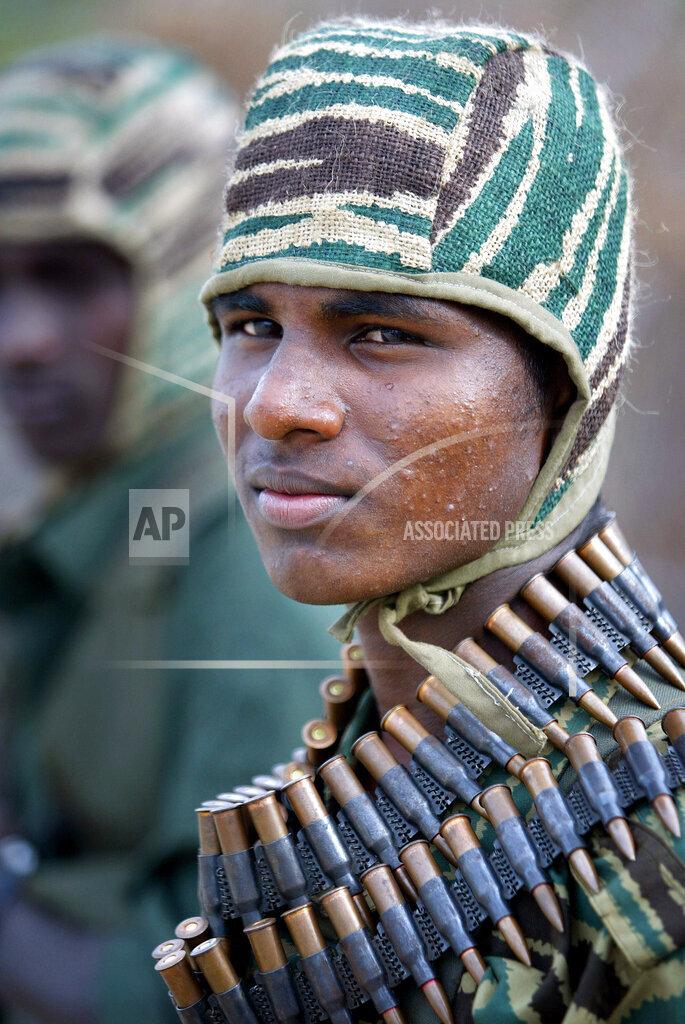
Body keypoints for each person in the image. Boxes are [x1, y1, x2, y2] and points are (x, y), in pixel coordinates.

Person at [154, 17, 685, 1023]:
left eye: (383, 332)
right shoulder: (367, 747)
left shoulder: (652, 825)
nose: (275, 403)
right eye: (251, 325)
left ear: (561, 386)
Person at [0, 37, 341, 1024]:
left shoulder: (257, 544)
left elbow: (261, 984)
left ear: (186, 266)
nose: (22, 340)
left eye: (72, 276)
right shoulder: (130, 522)